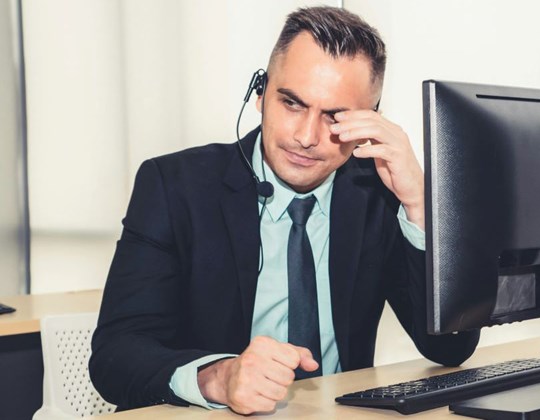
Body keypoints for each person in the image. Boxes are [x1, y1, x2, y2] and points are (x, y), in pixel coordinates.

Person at [89, 6, 480, 415]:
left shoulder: (377, 195)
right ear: (260, 93)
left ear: (370, 122)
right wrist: (218, 378)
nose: (306, 137)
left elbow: (450, 347)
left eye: (335, 117)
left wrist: (419, 203)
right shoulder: (175, 186)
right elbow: (115, 357)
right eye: (292, 104)